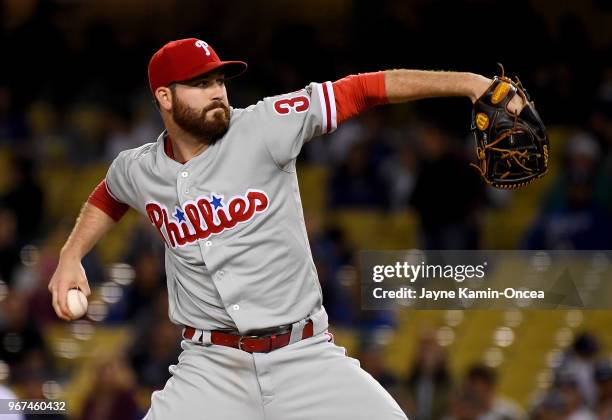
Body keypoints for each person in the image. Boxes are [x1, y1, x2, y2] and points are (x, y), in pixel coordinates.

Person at [47, 38, 525, 419]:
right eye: (200, 83)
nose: (217, 91)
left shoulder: (264, 126)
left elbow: (363, 89)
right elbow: (108, 195)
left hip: (303, 356)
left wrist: (471, 82)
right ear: (165, 97)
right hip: (209, 367)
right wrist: (71, 257)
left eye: (219, 79)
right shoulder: (141, 167)